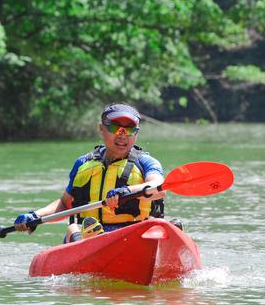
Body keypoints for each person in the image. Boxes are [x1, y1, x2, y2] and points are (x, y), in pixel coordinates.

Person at [14, 102, 166, 242]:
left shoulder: (146, 162)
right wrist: (36, 216)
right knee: (73, 228)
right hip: (88, 237)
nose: (122, 135)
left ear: (136, 133)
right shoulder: (83, 164)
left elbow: (158, 187)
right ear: (101, 129)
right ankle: (92, 240)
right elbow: (66, 204)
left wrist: (126, 191)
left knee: (157, 226)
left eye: (130, 130)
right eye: (115, 128)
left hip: (132, 234)